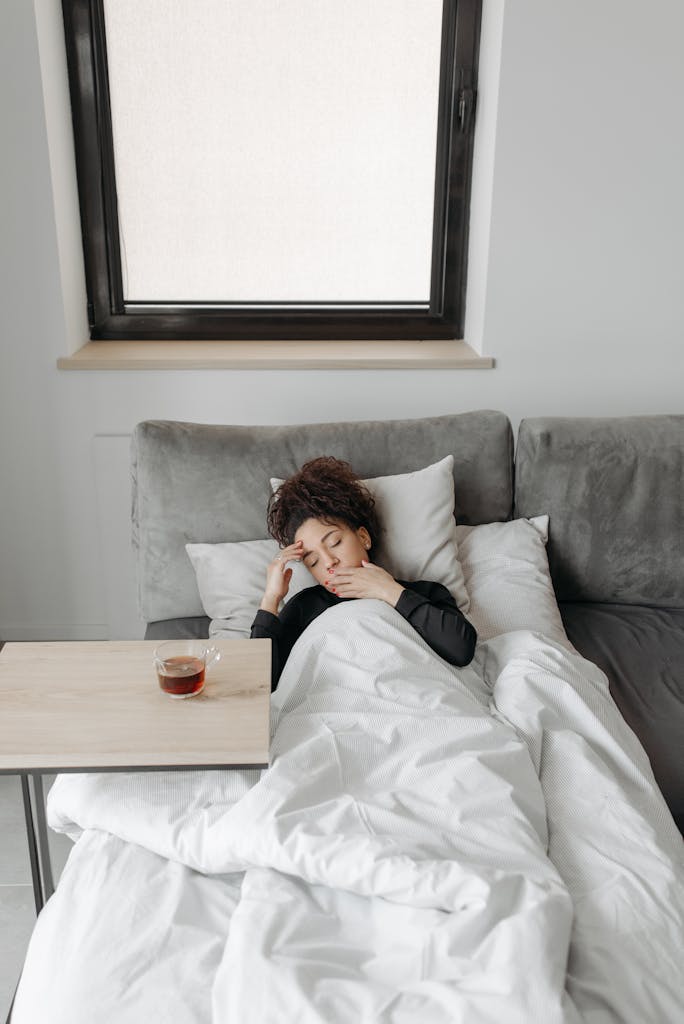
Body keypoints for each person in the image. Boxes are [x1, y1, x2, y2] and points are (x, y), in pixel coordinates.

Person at [250, 456, 477, 689]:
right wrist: (270, 599)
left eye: (335, 542)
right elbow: (260, 684)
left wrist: (389, 591)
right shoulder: (304, 607)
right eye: (313, 560)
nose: (329, 562)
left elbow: (461, 650)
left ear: (363, 537)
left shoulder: (423, 593)